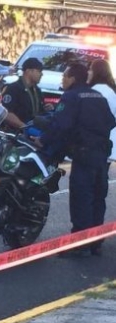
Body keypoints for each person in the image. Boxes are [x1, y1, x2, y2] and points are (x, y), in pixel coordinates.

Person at [36, 63, 115, 257]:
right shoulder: (97, 96)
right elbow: (112, 121)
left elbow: (61, 125)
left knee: (81, 197)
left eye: (64, 76)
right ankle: (96, 241)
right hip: (101, 154)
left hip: (84, 154)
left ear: (72, 78)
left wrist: (42, 140)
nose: (62, 80)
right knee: (98, 197)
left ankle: (79, 244)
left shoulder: (71, 97)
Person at [2, 57, 53, 130]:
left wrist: (45, 108)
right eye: (39, 71)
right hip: (17, 133)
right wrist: (25, 127)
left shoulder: (37, 90)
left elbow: (36, 112)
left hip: (36, 128)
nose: (41, 74)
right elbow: (6, 113)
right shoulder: (13, 89)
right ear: (28, 71)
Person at [88, 59, 116, 162]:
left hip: (94, 144)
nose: (88, 72)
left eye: (90, 69)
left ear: (97, 72)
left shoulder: (96, 90)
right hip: (107, 143)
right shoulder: (111, 89)